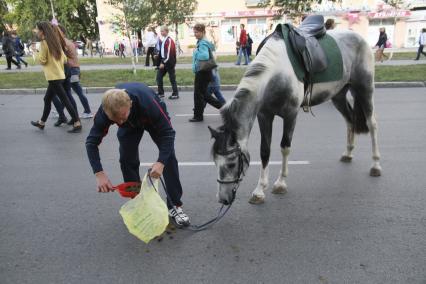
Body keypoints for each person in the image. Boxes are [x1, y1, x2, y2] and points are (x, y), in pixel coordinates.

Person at [85, 83, 190, 227]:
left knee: (169, 157)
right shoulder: (106, 112)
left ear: (130, 104)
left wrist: (160, 162)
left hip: (149, 119)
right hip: (130, 127)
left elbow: (168, 134)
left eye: (122, 116)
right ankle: (139, 203)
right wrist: (99, 173)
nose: (120, 122)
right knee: (126, 159)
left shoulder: (149, 104)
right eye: (115, 121)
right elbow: (91, 143)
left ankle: (175, 206)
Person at [30, 21, 81, 133]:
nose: (37, 32)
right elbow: (64, 59)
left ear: (42, 31)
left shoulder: (44, 43)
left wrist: (35, 52)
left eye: (37, 29)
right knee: (47, 99)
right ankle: (42, 122)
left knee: (65, 99)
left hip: (53, 77)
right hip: (60, 75)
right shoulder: (55, 42)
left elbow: (42, 60)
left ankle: (77, 123)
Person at [57, 24, 94, 120]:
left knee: (71, 91)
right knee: (69, 91)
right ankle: (61, 110)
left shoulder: (63, 43)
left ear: (61, 32)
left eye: (56, 31)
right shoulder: (68, 42)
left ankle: (87, 111)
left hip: (72, 69)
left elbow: (62, 57)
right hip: (75, 68)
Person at [189, 23, 224, 122]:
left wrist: (196, 52)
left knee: (199, 95)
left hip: (203, 71)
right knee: (203, 94)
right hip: (205, 72)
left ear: (202, 32)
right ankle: (224, 108)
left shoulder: (203, 43)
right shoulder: (203, 41)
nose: (195, 34)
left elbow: (204, 56)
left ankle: (198, 116)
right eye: (194, 32)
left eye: (197, 32)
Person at [156, 26, 179, 100]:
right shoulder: (164, 40)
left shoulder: (169, 40)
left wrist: (163, 62)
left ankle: (175, 94)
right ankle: (161, 93)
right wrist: (158, 57)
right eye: (161, 31)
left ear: (166, 31)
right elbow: (163, 52)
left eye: (162, 31)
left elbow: (168, 53)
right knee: (159, 77)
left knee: (172, 78)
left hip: (169, 62)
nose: (161, 32)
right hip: (164, 61)